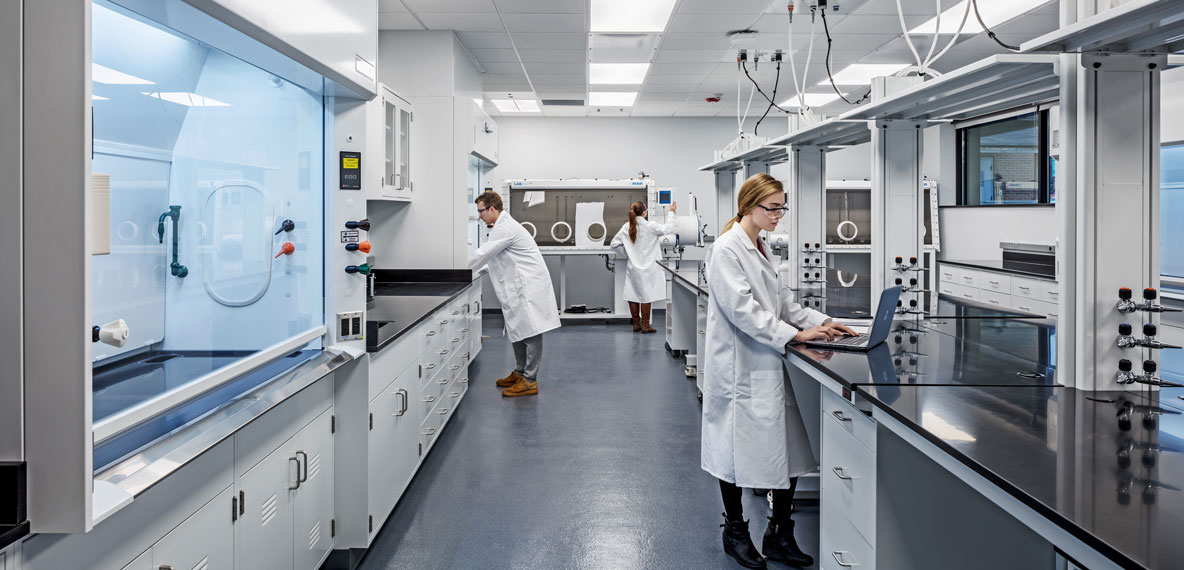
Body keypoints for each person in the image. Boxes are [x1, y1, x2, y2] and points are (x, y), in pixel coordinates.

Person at [702, 173, 857, 569]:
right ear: (749, 205)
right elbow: (744, 311)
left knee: (784, 448)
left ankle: (779, 533)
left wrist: (824, 322)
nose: (779, 216)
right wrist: (795, 334)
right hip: (740, 367)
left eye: (781, 207)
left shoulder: (761, 246)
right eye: (773, 208)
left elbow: (783, 302)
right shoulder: (726, 249)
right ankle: (735, 532)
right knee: (733, 452)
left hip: (768, 362)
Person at [468, 191, 561, 397]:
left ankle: (530, 380)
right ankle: (520, 373)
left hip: (527, 288)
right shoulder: (500, 228)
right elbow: (494, 260)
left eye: (481, 211)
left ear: (492, 209)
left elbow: (483, 255)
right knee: (518, 330)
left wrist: (456, 270)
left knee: (531, 332)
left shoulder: (506, 228)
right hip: (518, 288)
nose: (479, 216)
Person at [609, 200, 677, 333]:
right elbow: (669, 228)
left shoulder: (626, 227)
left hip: (633, 267)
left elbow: (614, 244)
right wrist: (671, 212)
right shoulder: (651, 226)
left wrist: (628, 254)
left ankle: (636, 324)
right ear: (644, 213)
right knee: (646, 295)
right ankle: (645, 326)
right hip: (649, 268)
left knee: (633, 294)